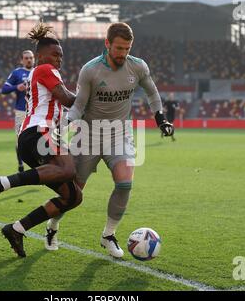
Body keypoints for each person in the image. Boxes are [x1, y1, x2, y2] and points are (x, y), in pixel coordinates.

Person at [45, 22, 174, 257]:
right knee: (73, 194)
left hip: (120, 134)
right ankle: (52, 226)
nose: (123, 54)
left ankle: (108, 235)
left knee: (125, 183)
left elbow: (152, 92)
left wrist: (161, 118)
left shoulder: (138, 67)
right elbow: (78, 106)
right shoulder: (90, 70)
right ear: (107, 44)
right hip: (88, 135)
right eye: (119, 48)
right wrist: (64, 124)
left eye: (127, 48)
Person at [0, 23, 83, 258]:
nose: (59, 60)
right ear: (40, 56)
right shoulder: (45, 69)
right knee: (67, 168)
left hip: (36, 136)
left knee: (73, 196)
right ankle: (1, 182)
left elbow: (63, 107)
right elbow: (67, 99)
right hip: (38, 133)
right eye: (55, 54)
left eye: (61, 56)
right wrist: (89, 96)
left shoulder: (43, 73)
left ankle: (16, 229)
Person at [1, 50, 35, 172]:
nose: (29, 60)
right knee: (20, 141)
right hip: (21, 111)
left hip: (36, 112)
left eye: (31, 57)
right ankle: (20, 164)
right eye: (26, 58)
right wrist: (17, 87)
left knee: (38, 140)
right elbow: (4, 89)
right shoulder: (17, 73)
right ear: (22, 60)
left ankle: (39, 166)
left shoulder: (38, 71)